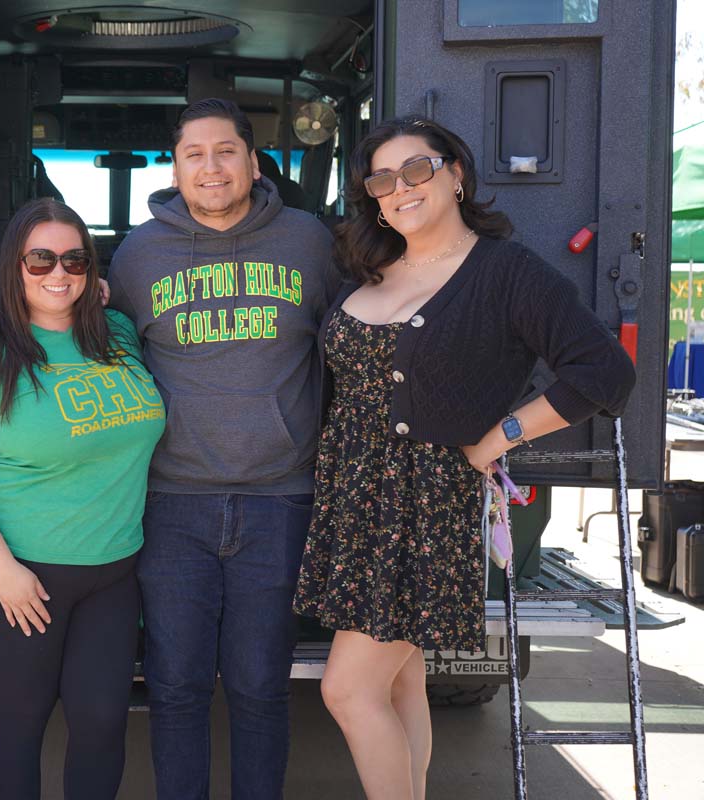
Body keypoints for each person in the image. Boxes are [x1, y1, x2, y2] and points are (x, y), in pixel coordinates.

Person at [293, 115, 636, 800]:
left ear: (455, 174)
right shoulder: (371, 267)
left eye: (416, 169)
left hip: (425, 510)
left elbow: (605, 373)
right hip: (355, 505)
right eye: (382, 180)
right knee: (401, 682)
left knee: (348, 690)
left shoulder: (506, 272)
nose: (400, 188)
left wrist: (500, 435)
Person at [106, 97, 340, 799]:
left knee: (260, 685)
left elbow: (351, 345)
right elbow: (113, 363)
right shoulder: (139, 254)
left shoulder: (309, 242)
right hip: (171, 502)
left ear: (253, 161)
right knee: (175, 686)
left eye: (226, 151)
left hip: (280, 498)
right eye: (194, 155)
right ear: (176, 169)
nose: (211, 167)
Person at [0, 198, 166, 799]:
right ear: (14, 267)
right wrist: (3, 571)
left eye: (74, 260)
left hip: (113, 570)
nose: (58, 273)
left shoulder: (118, 333)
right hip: (22, 575)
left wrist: (95, 295)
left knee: (102, 721)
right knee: (22, 718)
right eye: (40, 260)